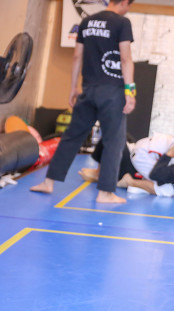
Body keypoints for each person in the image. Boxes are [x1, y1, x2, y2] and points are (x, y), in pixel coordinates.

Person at [31, 0, 136, 204]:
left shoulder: (87, 22)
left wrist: (73, 88)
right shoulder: (122, 23)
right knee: (114, 142)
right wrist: (130, 92)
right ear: (124, 2)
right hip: (112, 92)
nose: (128, 9)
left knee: (71, 137)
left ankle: (48, 182)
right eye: (129, 5)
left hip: (88, 90)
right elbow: (126, 59)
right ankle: (105, 193)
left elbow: (77, 57)